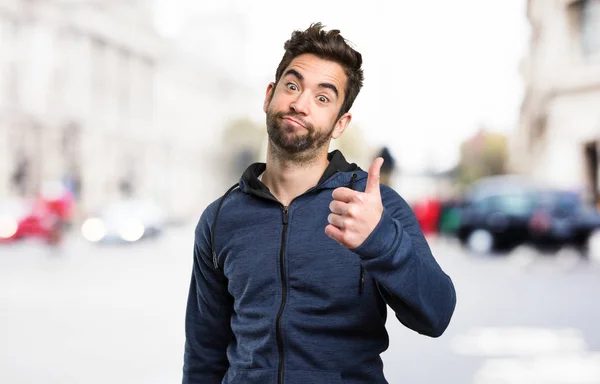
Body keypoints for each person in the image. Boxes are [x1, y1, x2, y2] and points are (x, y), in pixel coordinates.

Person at [182, 23, 456, 384]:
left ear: (340, 123)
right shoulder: (220, 218)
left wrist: (381, 241)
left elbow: (436, 315)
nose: (299, 103)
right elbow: (204, 353)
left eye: (322, 98)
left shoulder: (372, 206)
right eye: (292, 86)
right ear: (269, 95)